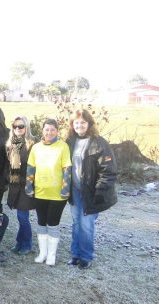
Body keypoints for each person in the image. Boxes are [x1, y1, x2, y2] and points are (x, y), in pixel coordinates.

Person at [66, 109, 117, 269]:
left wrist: (99, 191)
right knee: (76, 223)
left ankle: (86, 257)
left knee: (86, 224)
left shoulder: (99, 143)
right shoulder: (70, 141)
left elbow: (108, 170)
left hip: (91, 192)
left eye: (82, 122)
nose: (79, 125)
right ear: (72, 125)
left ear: (89, 124)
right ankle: (75, 255)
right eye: (76, 122)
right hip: (74, 191)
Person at [26, 118, 72, 266]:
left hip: (58, 194)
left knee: (53, 223)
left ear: (57, 131)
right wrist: (29, 186)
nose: (49, 132)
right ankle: (42, 253)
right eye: (47, 129)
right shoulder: (36, 147)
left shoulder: (63, 147)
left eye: (52, 130)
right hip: (40, 192)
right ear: (43, 130)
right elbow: (30, 168)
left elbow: (67, 168)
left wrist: (65, 189)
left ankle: (51, 255)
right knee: (41, 222)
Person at [6, 116, 37, 255]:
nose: (18, 129)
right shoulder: (11, 144)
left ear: (27, 127)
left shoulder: (32, 144)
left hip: (27, 184)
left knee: (22, 216)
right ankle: (20, 242)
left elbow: (35, 166)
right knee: (20, 215)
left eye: (21, 126)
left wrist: (28, 183)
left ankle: (27, 244)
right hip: (15, 184)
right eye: (15, 126)